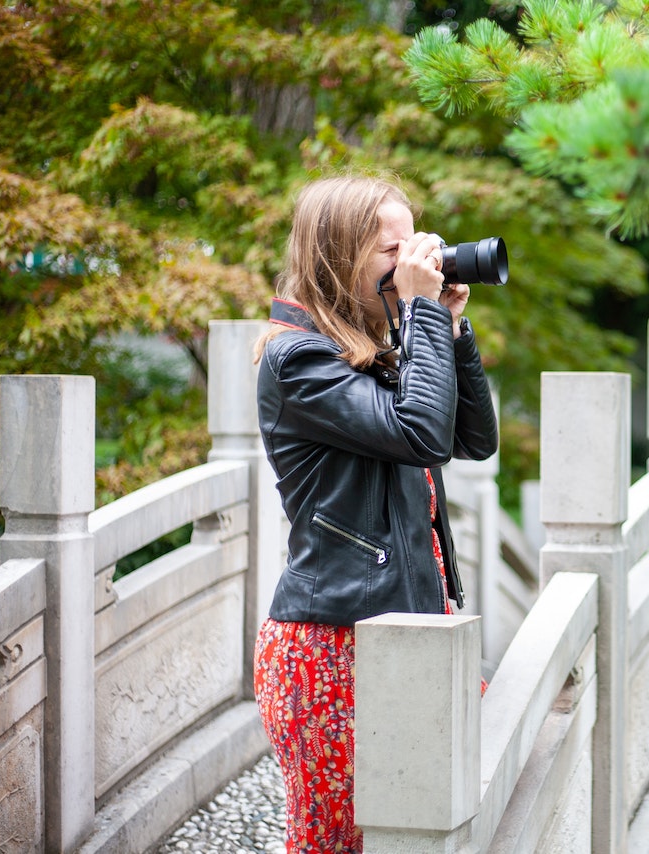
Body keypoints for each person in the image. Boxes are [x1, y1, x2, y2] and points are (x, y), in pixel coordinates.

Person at [251, 173, 499, 852]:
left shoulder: (374, 351)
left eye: (414, 243)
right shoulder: (297, 358)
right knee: (337, 844)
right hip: (332, 649)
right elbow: (419, 433)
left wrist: (448, 325)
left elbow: (470, 440)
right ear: (338, 255)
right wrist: (419, 315)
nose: (413, 262)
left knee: (425, 825)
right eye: (392, 250)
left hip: (409, 630)